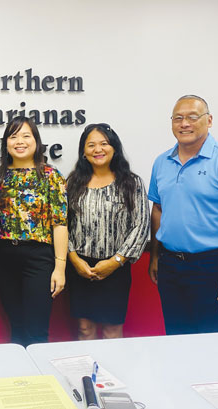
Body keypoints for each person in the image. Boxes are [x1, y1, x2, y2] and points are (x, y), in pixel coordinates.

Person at [148, 95, 218, 335]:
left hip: (213, 267)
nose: (184, 124)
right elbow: (158, 210)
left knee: (211, 345)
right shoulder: (161, 163)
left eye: (192, 117)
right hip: (171, 266)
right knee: (176, 339)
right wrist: (155, 258)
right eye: (178, 118)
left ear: (209, 120)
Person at [0, 116, 68, 347]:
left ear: (36, 141)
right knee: (16, 328)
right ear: (6, 143)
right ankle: (20, 380)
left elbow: (60, 223)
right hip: (4, 257)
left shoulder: (51, 176)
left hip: (39, 258)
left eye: (26, 136)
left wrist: (60, 268)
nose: (19, 142)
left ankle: (41, 383)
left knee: (37, 332)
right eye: (13, 136)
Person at [66, 123, 149, 340]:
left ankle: (111, 373)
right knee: (85, 329)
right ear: (83, 152)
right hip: (80, 267)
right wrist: (74, 260)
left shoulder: (131, 183)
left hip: (116, 268)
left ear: (114, 148)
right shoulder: (72, 183)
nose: (98, 149)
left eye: (104, 144)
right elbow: (62, 224)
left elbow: (140, 226)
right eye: (91, 145)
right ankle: (85, 374)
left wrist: (115, 261)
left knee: (112, 330)